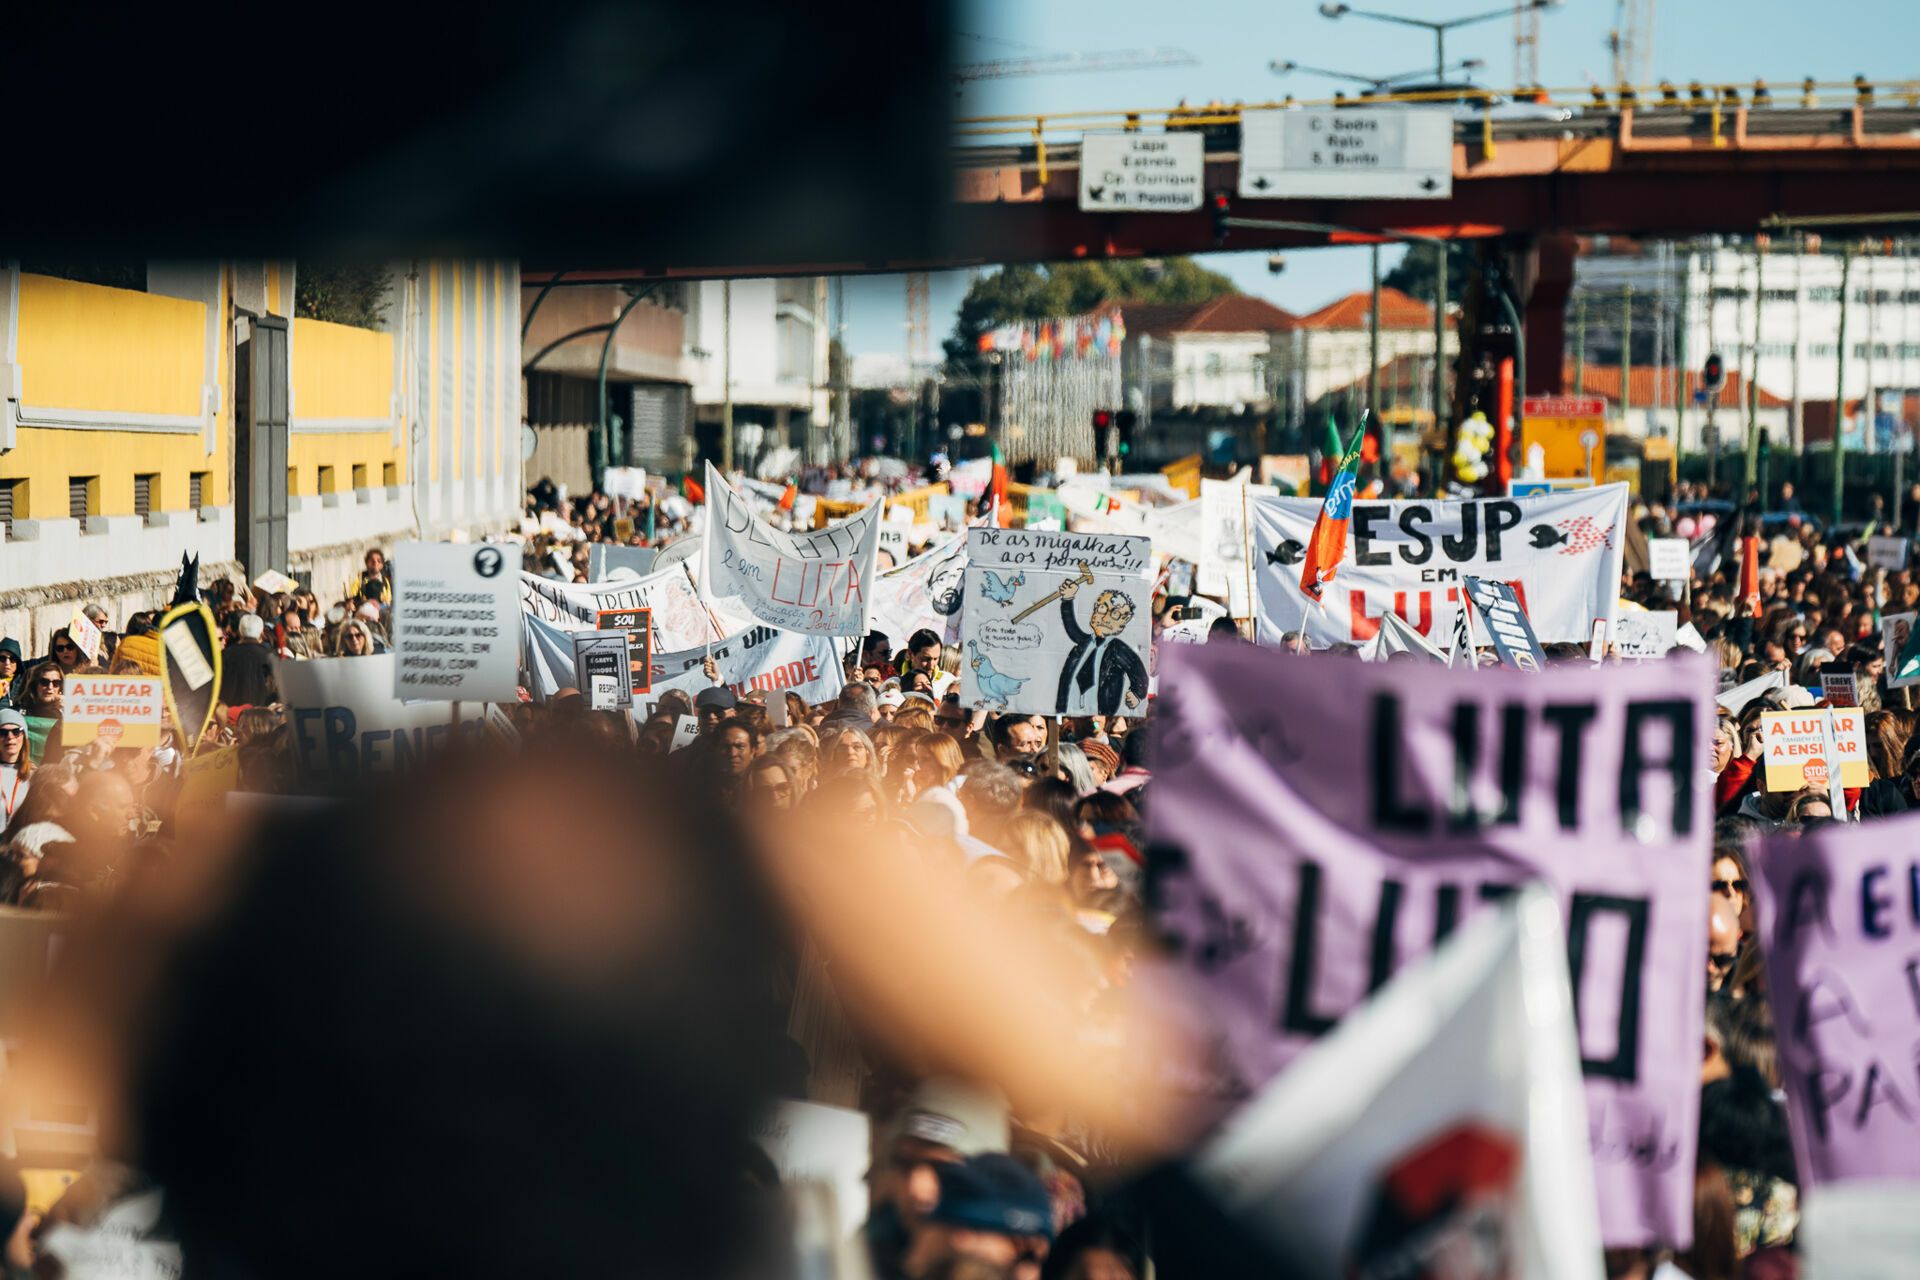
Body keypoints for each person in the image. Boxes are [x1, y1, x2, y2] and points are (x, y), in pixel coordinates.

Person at [1053, 582, 1147, 718]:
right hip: (1069, 709)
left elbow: (1138, 670)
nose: (1105, 618)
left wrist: (1137, 693)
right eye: (1102, 609)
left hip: (1100, 713)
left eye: (1115, 614)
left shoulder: (1118, 649)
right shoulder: (1085, 642)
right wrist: (1068, 599)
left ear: (1125, 620)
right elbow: (1072, 629)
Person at [222, 613, 278, 708]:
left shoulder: (226, 654)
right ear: (261, 633)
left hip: (231, 712)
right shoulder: (270, 656)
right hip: (261, 712)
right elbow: (275, 686)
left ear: (240, 632)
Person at [0, 710, 29, 828]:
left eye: (16, 731)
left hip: (19, 844)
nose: (10, 737)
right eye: (3, 732)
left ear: (24, 737)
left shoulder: (35, 776)